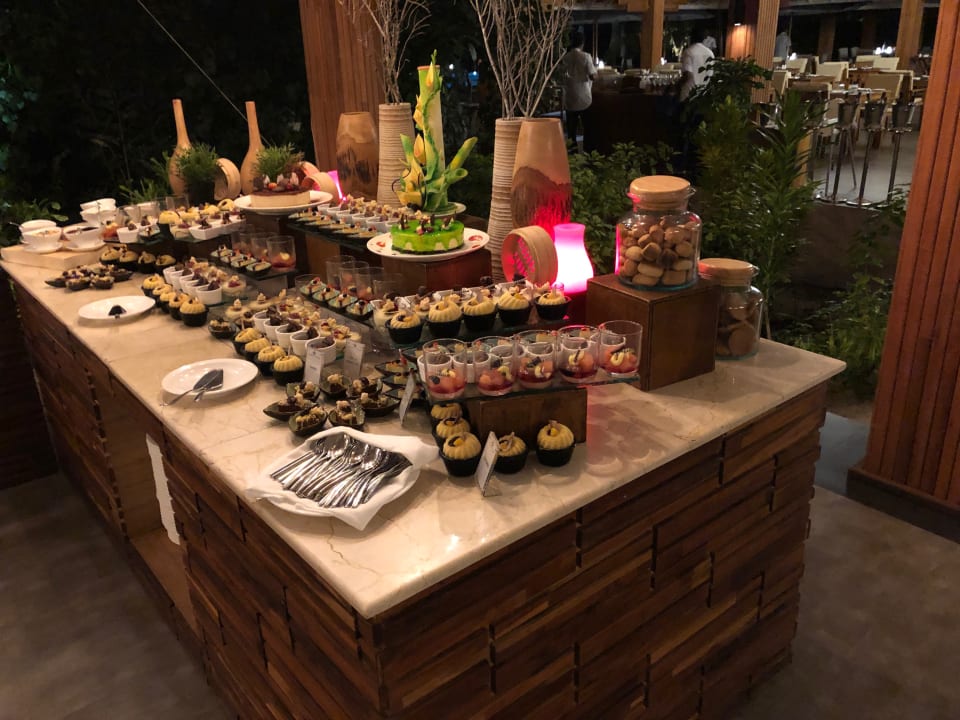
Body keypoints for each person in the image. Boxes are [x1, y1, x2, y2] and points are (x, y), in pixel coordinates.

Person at [561, 30, 597, 149]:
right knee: (588, 128)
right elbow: (593, 76)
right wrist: (597, 73)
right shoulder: (586, 56)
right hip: (584, 98)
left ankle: (572, 152)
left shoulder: (565, 58)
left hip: (570, 98)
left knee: (571, 130)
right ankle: (588, 151)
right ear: (582, 43)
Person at [679, 27, 715, 101]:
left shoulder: (689, 52)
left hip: (689, 93)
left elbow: (687, 74)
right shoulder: (710, 53)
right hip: (705, 93)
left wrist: (677, 84)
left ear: (691, 37)